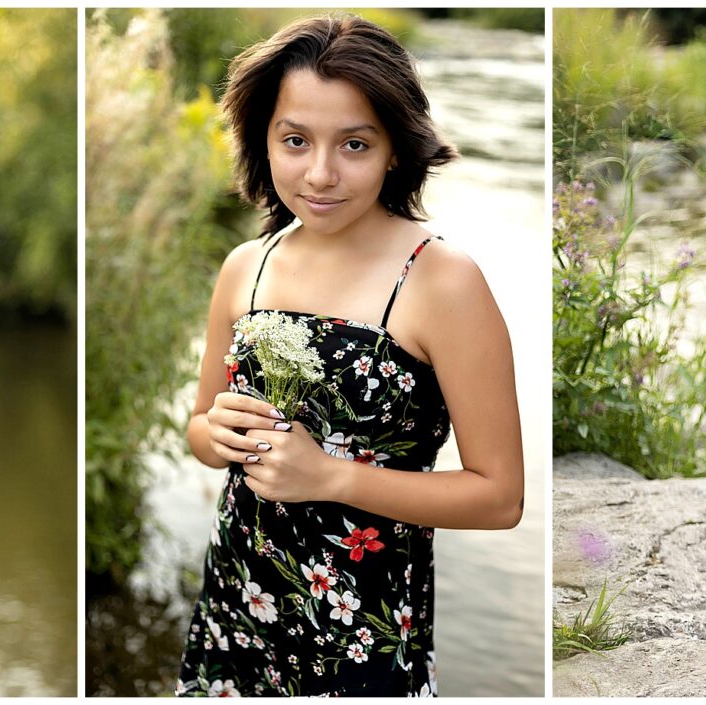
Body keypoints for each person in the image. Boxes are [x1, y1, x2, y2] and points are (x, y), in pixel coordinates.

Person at [170, 14, 524, 697]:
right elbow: (198, 428)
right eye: (295, 140)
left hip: (363, 636)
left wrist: (331, 476)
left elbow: (501, 496)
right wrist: (214, 434)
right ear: (263, 140)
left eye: (354, 144)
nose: (321, 173)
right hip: (236, 616)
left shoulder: (441, 280)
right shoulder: (247, 265)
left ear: (395, 148)